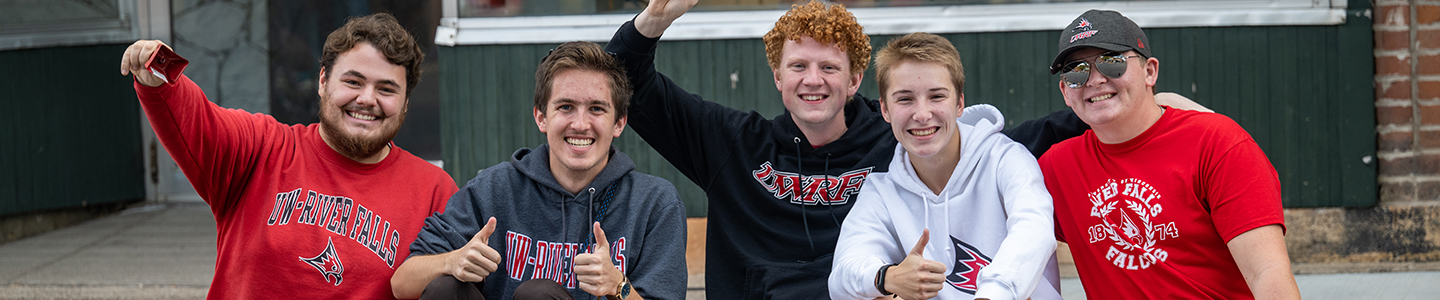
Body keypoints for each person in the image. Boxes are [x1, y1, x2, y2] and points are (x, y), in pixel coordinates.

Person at [606, 0, 1199, 298]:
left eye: (830, 67)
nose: (814, 79)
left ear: (857, 82)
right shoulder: (731, 143)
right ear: (778, 77)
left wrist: (1144, 104)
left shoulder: (896, 143)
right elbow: (626, 78)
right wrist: (653, 18)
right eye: (799, 66)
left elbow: (1019, 140)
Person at [119, 13, 458, 299]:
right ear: (323, 81)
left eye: (386, 89)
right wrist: (159, 79)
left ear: (405, 103)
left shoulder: (434, 190)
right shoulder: (262, 148)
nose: (367, 99)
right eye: (353, 82)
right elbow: (197, 118)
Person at [391, 41, 688, 300]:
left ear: (619, 122)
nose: (581, 124)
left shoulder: (654, 202)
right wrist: (452, 261)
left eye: (597, 109)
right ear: (541, 117)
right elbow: (401, 283)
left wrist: (617, 285)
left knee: (538, 294)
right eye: (566, 107)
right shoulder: (495, 188)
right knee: (446, 288)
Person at [1038, 9, 1300, 299]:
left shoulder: (1218, 143)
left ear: (1150, 71)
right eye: (1076, 71)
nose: (1094, 79)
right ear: (1065, 91)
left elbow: (1267, 271)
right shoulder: (1055, 168)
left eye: (1112, 63)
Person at [829, 32, 1061, 300]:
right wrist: (888, 277)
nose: (922, 114)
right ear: (885, 110)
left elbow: (1034, 230)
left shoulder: (1006, 159)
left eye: (937, 96)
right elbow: (842, 277)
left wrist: (995, 292)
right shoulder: (881, 191)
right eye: (905, 99)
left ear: (959, 103)